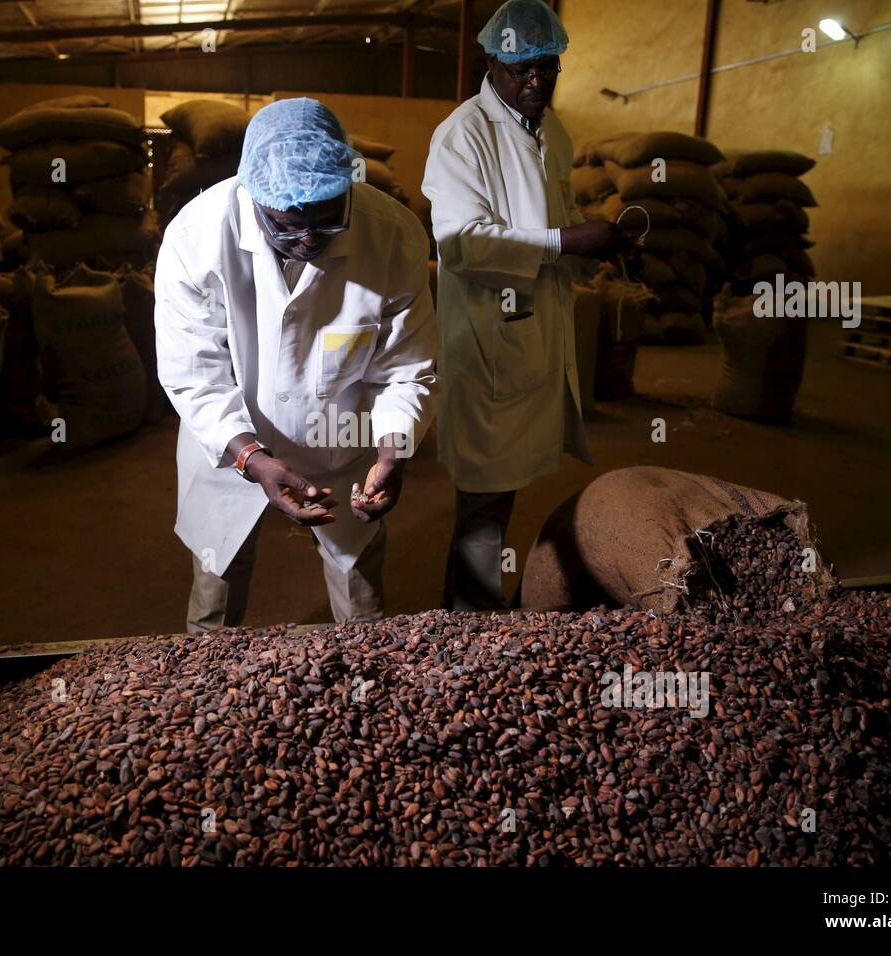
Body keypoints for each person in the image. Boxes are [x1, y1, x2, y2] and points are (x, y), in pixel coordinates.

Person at [154, 98, 439, 634]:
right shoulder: (195, 238)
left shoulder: (393, 235)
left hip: (344, 449)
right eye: (286, 225)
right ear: (253, 198)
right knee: (214, 612)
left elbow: (406, 368)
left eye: (327, 222)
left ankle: (364, 694)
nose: (307, 240)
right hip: (230, 454)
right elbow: (195, 373)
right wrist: (252, 459)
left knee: (363, 613)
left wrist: (392, 451)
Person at [423, 0, 630, 612]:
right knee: (484, 496)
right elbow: (462, 244)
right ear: (492, 63)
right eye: (522, 71)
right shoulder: (463, 135)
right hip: (491, 342)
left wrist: (594, 238)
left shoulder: (552, 130)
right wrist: (565, 242)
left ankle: (470, 610)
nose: (537, 81)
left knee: (504, 489)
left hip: (533, 331)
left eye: (548, 68)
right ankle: (469, 624)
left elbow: (554, 215)